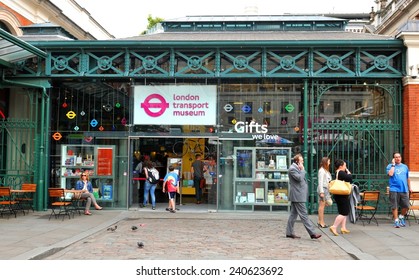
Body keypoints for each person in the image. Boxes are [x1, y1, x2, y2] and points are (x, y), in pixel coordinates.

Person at [286, 154, 322, 239]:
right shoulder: (292, 169)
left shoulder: (296, 168)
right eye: (301, 161)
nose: (303, 162)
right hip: (297, 195)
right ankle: (312, 233)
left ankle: (289, 232)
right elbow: (299, 178)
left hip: (298, 194)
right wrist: (302, 170)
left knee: (293, 215)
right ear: (297, 162)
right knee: (304, 214)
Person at [386, 152, 412, 228]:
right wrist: (393, 165)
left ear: (401, 158)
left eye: (399, 157)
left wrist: (409, 187)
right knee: (395, 206)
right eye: (396, 157)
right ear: (393, 159)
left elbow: (408, 178)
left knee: (406, 205)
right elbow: (390, 174)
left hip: (404, 189)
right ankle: (396, 220)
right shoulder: (390, 166)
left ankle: (401, 216)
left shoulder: (405, 167)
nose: (398, 158)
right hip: (394, 189)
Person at [329, 159, 352, 236]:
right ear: (341, 166)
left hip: (338, 195)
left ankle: (343, 227)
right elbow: (349, 178)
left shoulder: (337, 172)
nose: (346, 167)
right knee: (344, 212)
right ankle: (334, 226)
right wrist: (349, 173)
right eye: (345, 165)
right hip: (342, 195)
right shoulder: (341, 172)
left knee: (343, 211)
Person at [317, 157, 332, 228]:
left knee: (326, 204)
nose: (329, 163)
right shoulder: (322, 171)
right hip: (323, 189)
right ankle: (321, 222)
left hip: (326, 189)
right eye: (328, 161)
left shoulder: (326, 171)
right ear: (325, 162)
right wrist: (321, 192)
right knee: (321, 206)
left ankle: (320, 221)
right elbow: (320, 182)